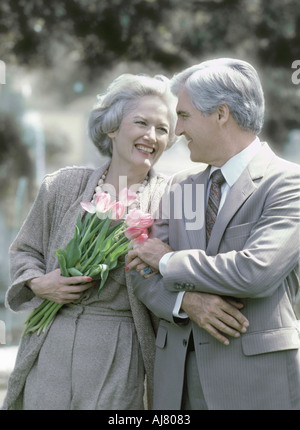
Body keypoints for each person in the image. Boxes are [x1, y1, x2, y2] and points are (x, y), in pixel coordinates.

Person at [126, 58, 300, 410]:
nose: (177, 132)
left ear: (221, 114)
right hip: (176, 389)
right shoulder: (179, 189)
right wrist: (185, 303)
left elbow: (255, 272)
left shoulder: (288, 183)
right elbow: (141, 273)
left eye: (185, 116)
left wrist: (168, 260)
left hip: (255, 385)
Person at [2, 73, 179, 410]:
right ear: (112, 127)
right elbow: (25, 250)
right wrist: (39, 283)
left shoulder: (173, 199)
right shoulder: (63, 186)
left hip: (120, 351)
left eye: (162, 129)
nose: (151, 136)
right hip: (50, 341)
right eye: (140, 122)